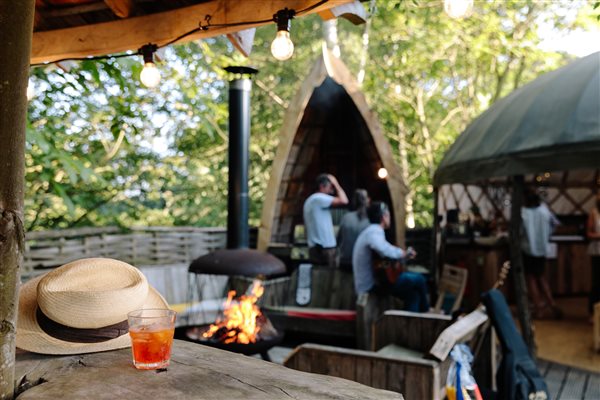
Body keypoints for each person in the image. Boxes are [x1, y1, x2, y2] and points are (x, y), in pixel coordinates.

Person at [352, 201, 430, 312]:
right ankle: (427, 312)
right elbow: (384, 249)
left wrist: (402, 256)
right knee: (420, 279)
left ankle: (411, 324)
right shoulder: (374, 231)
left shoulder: (370, 231)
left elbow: (384, 256)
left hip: (375, 282)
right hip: (371, 286)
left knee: (413, 294)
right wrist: (403, 253)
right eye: (388, 215)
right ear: (384, 217)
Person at [521, 189, 561, 319]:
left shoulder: (523, 213)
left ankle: (539, 309)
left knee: (531, 279)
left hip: (528, 249)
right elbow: (556, 224)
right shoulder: (545, 211)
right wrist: (547, 234)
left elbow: (519, 232)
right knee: (542, 277)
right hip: (542, 248)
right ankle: (552, 304)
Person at [303, 173, 348, 267]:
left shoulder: (310, 200)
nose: (332, 190)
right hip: (326, 248)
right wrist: (336, 183)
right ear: (322, 186)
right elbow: (344, 200)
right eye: (330, 187)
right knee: (330, 278)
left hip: (314, 248)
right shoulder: (319, 198)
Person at [337, 189, 370, 271]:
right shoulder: (370, 221)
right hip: (362, 264)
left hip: (344, 262)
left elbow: (338, 240)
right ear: (368, 201)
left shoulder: (346, 217)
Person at [587, 192, 600, 319]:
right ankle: (592, 312)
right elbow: (589, 234)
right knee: (597, 282)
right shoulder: (594, 213)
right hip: (597, 252)